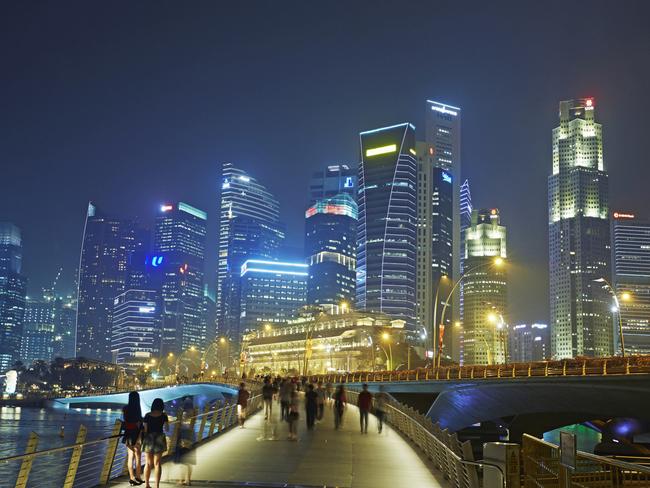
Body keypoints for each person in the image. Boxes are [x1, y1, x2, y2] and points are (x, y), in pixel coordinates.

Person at [142, 398, 168, 488]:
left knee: (148, 463)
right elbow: (167, 429)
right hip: (159, 439)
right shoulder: (164, 416)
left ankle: (147, 485)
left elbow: (145, 430)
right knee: (157, 464)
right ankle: (157, 486)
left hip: (149, 438)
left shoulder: (147, 415)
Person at [122, 391, 144, 486]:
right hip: (136, 434)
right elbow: (139, 425)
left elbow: (126, 422)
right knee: (138, 457)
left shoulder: (125, 409)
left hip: (128, 435)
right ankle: (138, 476)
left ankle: (131, 478)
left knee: (130, 457)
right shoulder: (137, 410)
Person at [174, 396, 196, 486]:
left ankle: (182, 479)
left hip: (183, 437)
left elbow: (179, 426)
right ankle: (189, 480)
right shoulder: (193, 414)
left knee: (182, 461)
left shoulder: (183, 414)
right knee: (189, 461)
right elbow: (192, 426)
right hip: (191, 438)